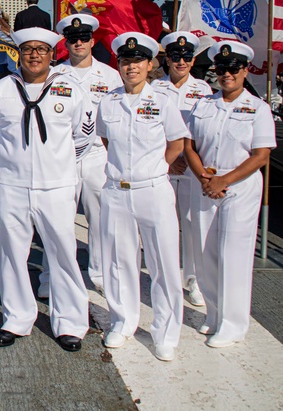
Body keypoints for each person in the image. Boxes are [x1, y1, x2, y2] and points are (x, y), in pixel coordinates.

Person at [0, 28, 94, 351]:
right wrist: (14, 161)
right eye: (27, 49)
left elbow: (82, 137)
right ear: (18, 54)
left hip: (55, 187)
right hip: (12, 186)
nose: (34, 55)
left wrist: (55, 163)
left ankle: (70, 322)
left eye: (42, 49)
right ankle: (16, 318)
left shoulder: (70, 90)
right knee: (12, 254)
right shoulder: (0, 90)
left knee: (62, 254)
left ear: (53, 54)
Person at [95, 32, 188, 362]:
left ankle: (165, 332)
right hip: (117, 191)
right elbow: (106, 141)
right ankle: (122, 322)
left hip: (153, 190)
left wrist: (156, 168)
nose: (131, 66)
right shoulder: (108, 101)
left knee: (163, 264)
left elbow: (177, 143)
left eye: (137, 61)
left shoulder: (163, 102)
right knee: (118, 262)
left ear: (151, 65)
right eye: (125, 61)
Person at [184, 41, 276, 348]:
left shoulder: (258, 109)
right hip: (206, 182)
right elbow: (189, 146)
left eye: (233, 69)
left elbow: (260, 155)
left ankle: (234, 323)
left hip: (239, 186)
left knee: (232, 254)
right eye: (221, 69)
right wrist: (205, 178)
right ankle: (214, 313)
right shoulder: (204, 105)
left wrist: (224, 179)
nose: (227, 74)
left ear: (245, 70)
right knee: (205, 252)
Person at [51, 13, 122, 296]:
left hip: (96, 154)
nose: (78, 43)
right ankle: (50, 273)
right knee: (58, 217)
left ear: (93, 41)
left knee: (100, 216)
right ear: (66, 43)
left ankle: (100, 272)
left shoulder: (110, 75)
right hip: (63, 154)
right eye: (72, 39)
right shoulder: (55, 74)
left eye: (83, 38)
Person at [152, 31, 212, 308]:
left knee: (191, 225)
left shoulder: (204, 91)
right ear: (167, 59)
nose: (181, 62)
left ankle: (193, 279)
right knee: (162, 224)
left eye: (186, 57)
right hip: (163, 164)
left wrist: (188, 158)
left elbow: (203, 131)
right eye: (176, 57)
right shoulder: (155, 89)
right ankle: (166, 278)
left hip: (190, 166)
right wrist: (169, 155)